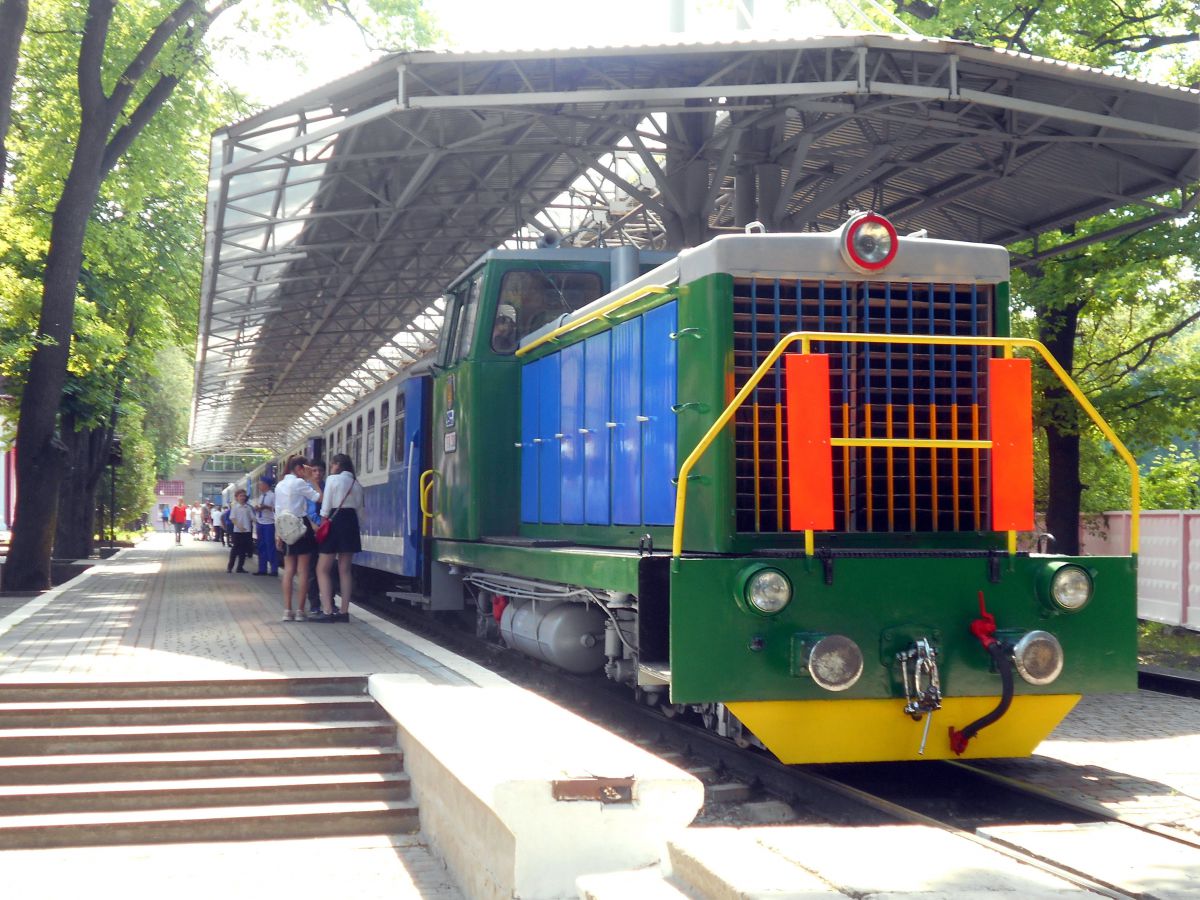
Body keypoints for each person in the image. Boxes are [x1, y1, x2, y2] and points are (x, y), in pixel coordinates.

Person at [312, 453, 363, 624]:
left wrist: (322, 525)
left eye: (332, 465)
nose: (330, 468)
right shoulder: (357, 483)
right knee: (345, 569)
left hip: (334, 522)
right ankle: (344, 612)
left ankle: (327, 611)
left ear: (337, 465)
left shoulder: (333, 480)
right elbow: (360, 511)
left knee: (322, 568)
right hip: (351, 523)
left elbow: (325, 508)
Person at [274, 455, 322, 622]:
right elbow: (319, 498)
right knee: (303, 571)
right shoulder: (300, 483)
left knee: (288, 570)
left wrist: (278, 533)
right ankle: (300, 611)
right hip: (301, 527)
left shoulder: (279, 485)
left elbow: (277, 511)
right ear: (299, 468)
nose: (308, 470)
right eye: (306, 468)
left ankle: (287, 610)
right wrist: (312, 480)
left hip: (285, 528)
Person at [305, 462, 327, 617]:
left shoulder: (328, 487)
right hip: (311, 530)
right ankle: (314, 604)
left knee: (328, 569)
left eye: (320, 470)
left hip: (326, 530)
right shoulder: (305, 487)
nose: (317, 473)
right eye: (314, 470)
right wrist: (312, 524)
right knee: (312, 568)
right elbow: (303, 507)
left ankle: (329, 603)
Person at [252, 477, 278, 576]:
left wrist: (266, 507)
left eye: (261, 484)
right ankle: (262, 569)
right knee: (261, 546)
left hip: (269, 523)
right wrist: (257, 509)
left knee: (270, 546)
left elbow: (276, 508)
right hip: (260, 522)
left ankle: (274, 569)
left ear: (266, 485)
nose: (259, 486)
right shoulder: (261, 496)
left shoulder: (272, 496)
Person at [226, 490, 254, 573]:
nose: (242, 497)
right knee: (235, 549)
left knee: (243, 550)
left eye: (244, 496)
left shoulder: (248, 508)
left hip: (247, 531)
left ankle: (240, 567)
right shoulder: (235, 507)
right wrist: (239, 526)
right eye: (241, 496)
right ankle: (230, 567)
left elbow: (252, 517)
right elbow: (232, 518)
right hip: (237, 532)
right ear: (237, 497)